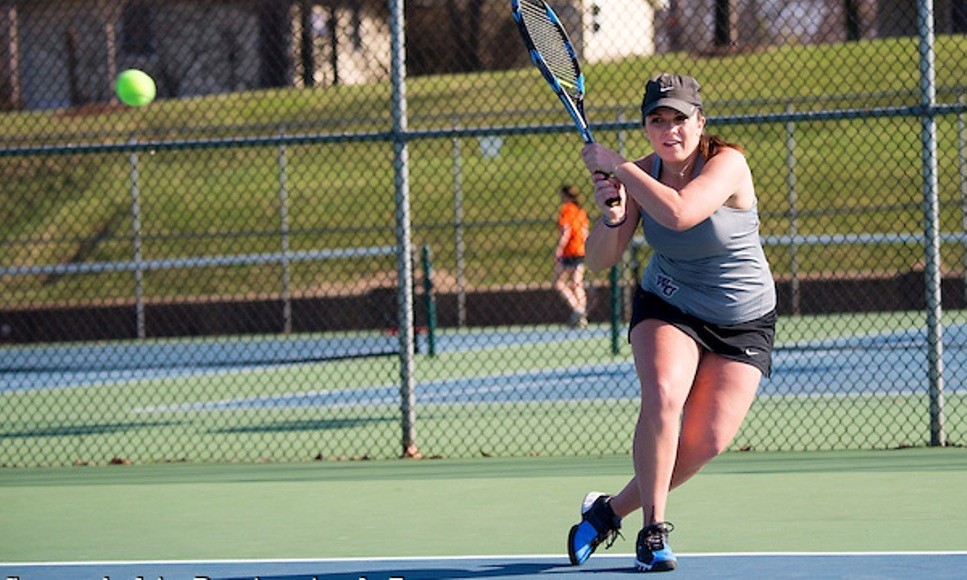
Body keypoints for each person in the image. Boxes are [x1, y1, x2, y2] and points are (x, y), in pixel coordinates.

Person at [566, 73, 777, 573]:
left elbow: (682, 213)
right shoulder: (639, 175)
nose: (669, 129)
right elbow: (599, 260)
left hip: (742, 319)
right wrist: (614, 215)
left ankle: (607, 511)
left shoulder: (729, 164)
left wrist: (618, 167)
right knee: (663, 393)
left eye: (679, 118)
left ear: (700, 122)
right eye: (657, 120)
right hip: (670, 304)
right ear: (647, 127)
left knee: (704, 444)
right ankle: (652, 531)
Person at [553, 184, 590, 328]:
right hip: (581, 249)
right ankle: (581, 313)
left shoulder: (567, 209)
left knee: (559, 282)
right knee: (577, 283)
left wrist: (559, 249)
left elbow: (566, 231)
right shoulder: (581, 211)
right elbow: (585, 231)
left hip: (570, 250)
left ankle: (577, 310)